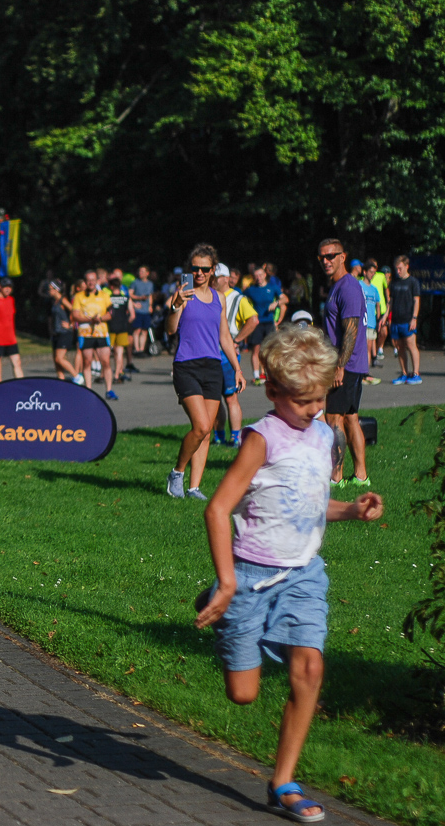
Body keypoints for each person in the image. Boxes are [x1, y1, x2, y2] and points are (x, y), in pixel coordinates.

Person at [196, 326, 384, 824]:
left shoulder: (326, 436)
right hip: (250, 574)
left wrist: (352, 510)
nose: (314, 409)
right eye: (302, 400)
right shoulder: (262, 439)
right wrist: (229, 579)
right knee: (243, 694)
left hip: (304, 573)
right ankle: (217, 597)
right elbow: (218, 510)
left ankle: (283, 782)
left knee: (310, 669)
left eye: (320, 399)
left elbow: (314, 503)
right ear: (273, 391)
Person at [165, 244, 246, 500]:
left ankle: (194, 487)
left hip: (213, 367)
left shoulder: (219, 298)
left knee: (207, 431)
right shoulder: (182, 295)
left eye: (204, 269)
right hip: (186, 365)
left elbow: (224, 336)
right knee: (200, 426)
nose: (198, 273)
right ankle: (177, 473)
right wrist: (176, 306)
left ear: (213, 270)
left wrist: (237, 368)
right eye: (195, 268)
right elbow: (170, 329)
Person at [318, 239, 370, 487]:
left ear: (343, 257)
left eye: (331, 256)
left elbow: (351, 331)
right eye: (322, 257)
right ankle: (361, 476)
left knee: (333, 418)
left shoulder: (347, 287)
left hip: (346, 365)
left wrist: (340, 366)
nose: (326, 261)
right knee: (350, 417)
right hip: (351, 363)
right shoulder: (338, 285)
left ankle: (335, 477)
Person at [212, 264, 258, 447]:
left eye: (215, 278)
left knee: (230, 397)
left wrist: (236, 340)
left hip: (227, 353)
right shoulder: (211, 296)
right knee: (214, 398)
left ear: (225, 278)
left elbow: (253, 320)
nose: (212, 281)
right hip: (212, 351)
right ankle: (218, 436)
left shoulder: (238, 299)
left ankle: (235, 437)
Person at [72, 270, 114, 398]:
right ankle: (88, 390)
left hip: (101, 333)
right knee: (87, 362)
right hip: (85, 334)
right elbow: (75, 315)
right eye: (88, 280)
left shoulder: (104, 295)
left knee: (106, 362)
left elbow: (111, 313)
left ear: (97, 281)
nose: (91, 283)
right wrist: (90, 320)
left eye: (93, 280)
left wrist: (100, 319)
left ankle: (109, 390)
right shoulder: (79, 296)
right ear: (85, 282)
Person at [244, 266, 284, 384]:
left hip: (269, 322)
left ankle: (270, 375)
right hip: (257, 323)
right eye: (256, 276)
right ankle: (257, 376)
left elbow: (285, 299)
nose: (258, 278)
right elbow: (240, 298)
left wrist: (276, 303)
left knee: (271, 350)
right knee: (256, 350)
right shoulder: (251, 290)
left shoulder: (273, 288)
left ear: (265, 275)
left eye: (260, 275)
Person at [387, 255, 422, 385]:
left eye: (400, 268)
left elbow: (416, 301)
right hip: (396, 320)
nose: (398, 271)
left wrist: (414, 318)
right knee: (400, 347)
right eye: (396, 269)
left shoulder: (413, 282)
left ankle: (416, 374)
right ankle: (404, 373)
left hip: (408, 320)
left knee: (411, 346)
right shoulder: (394, 283)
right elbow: (391, 302)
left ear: (406, 266)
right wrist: (386, 316)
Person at [0, 278, 23, 382]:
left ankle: (22, 386)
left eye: (9, 287)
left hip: (10, 337)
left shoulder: (11, 300)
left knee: (17, 361)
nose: (7, 289)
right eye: (5, 287)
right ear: (0, 287)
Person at [355, 261, 383, 385]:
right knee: (363, 347)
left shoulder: (374, 289)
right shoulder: (359, 285)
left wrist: (378, 319)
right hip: (362, 322)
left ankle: (365, 372)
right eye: (371, 272)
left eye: (374, 273)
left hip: (372, 322)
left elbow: (378, 304)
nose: (372, 275)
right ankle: (362, 373)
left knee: (369, 347)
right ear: (365, 272)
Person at [106, 276, 133, 391]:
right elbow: (132, 315)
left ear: (111, 287)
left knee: (108, 353)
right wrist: (126, 322)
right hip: (123, 328)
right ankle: (117, 375)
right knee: (120, 352)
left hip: (110, 328)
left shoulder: (108, 298)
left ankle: (105, 374)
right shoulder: (126, 298)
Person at [48, 282, 78, 380]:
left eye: (51, 289)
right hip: (56, 333)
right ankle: (61, 380)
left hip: (65, 333)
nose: (49, 291)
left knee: (59, 358)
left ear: (57, 290)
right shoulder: (54, 301)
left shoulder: (62, 300)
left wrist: (70, 324)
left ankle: (77, 376)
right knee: (56, 360)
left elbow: (73, 310)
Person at [130, 267, 154, 355]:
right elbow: (130, 294)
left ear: (147, 273)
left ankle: (142, 349)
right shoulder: (135, 283)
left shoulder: (150, 284)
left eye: (143, 271)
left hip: (146, 310)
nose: (141, 273)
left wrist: (150, 306)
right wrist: (136, 302)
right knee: (137, 330)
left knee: (144, 330)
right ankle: (136, 349)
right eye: (140, 271)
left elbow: (150, 295)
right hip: (138, 310)